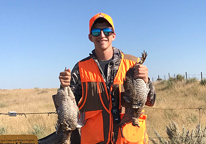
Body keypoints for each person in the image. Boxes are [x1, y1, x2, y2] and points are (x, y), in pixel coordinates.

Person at [59, 12, 156, 144]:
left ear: (114, 35)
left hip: (129, 139)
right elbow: (67, 108)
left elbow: (150, 101)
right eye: (96, 31)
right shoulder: (81, 68)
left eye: (107, 31)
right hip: (95, 140)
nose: (102, 35)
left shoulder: (133, 64)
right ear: (90, 37)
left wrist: (146, 82)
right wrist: (63, 87)